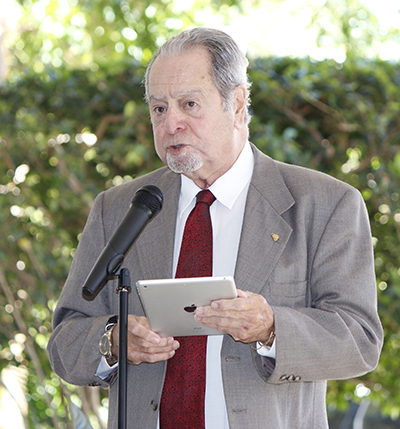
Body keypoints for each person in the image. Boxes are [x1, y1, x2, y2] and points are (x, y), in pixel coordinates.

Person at [48, 27, 383, 429]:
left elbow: (359, 340)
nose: (171, 123)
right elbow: (66, 341)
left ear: (237, 103)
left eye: (189, 104)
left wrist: (271, 327)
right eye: (158, 108)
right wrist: (115, 341)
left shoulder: (325, 204)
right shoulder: (119, 208)